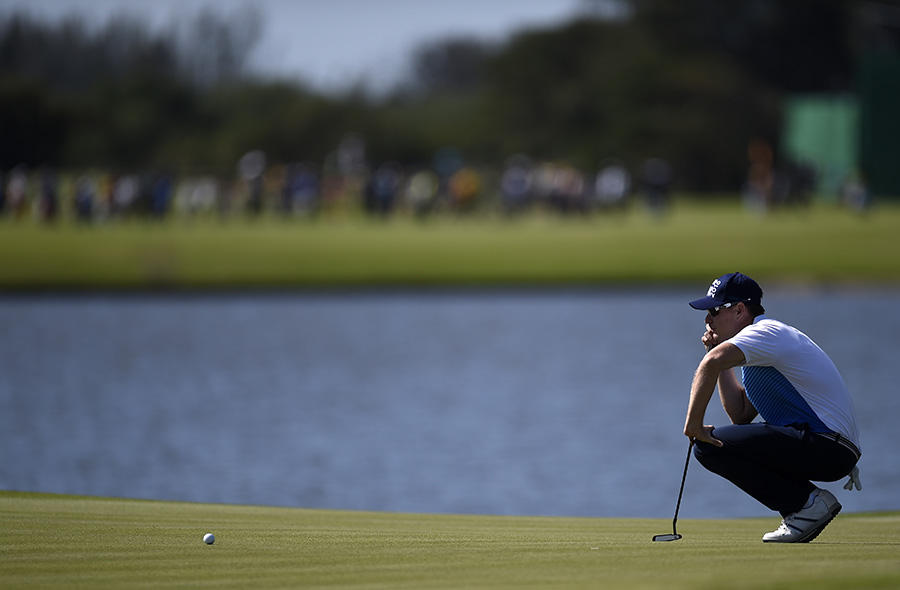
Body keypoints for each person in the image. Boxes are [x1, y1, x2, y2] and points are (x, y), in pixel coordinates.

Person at [684, 272, 862, 543]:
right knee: (712, 447)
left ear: (740, 310)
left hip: (828, 446)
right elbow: (741, 415)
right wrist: (714, 353)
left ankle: (805, 505)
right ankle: (806, 504)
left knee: (708, 447)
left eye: (715, 310)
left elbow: (711, 364)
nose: (707, 319)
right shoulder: (758, 349)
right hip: (829, 448)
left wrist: (694, 426)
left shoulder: (766, 333)